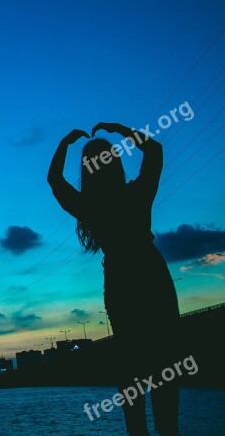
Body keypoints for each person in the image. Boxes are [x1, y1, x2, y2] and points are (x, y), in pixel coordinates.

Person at [47, 122, 180, 435]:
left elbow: (54, 180)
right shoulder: (138, 194)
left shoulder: (88, 206)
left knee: (131, 371)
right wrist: (119, 129)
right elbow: (155, 150)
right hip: (152, 275)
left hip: (121, 282)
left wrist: (65, 143)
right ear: (116, 161)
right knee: (165, 370)